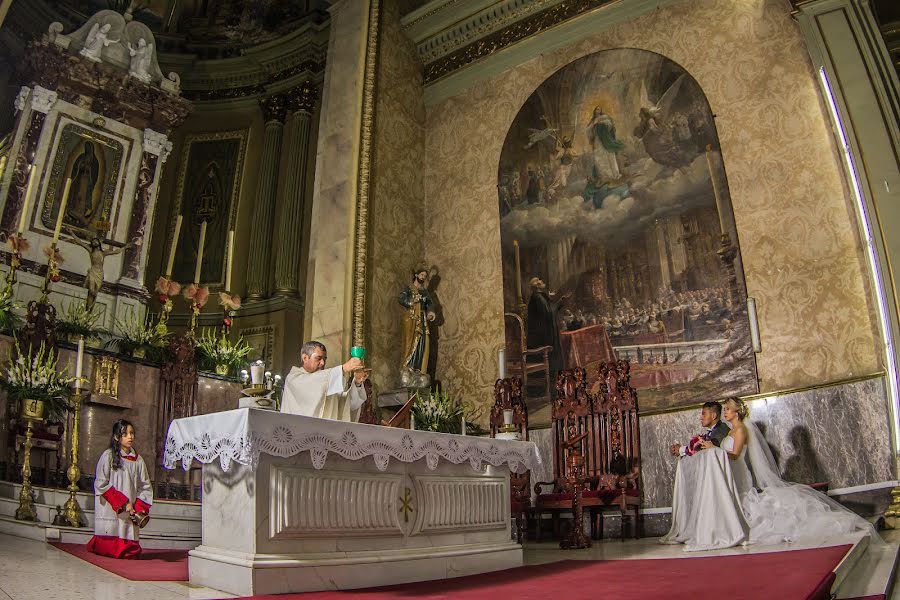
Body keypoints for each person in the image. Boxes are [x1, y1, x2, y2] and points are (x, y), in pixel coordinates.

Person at [663, 398, 879, 551]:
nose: (725, 412)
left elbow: (736, 454)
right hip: (731, 472)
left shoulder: (740, 430)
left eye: (728, 409)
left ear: (736, 412)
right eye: (725, 409)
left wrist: (714, 448)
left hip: (738, 472)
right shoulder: (730, 431)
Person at [87, 419, 152, 559]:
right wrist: (123, 502)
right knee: (110, 542)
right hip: (112, 506)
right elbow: (101, 483)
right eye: (125, 434)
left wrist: (139, 507)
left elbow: (145, 486)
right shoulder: (108, 456)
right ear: (117, 437)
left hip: (131, 508)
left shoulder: (138, 460)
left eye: (132, 433)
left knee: (129, 549)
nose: (130, 437)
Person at [280, 341, 368, 422]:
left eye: (324, 359)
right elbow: (312, 383)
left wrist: (357, 382)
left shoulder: (330, 381)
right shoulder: (293, 379)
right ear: (305, 357)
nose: (322, 363)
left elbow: (347, 405)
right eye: (318, 358)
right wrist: (343, 368)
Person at [398, 266, 436, 379]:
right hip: (411, 320)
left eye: (425, 276)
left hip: (422, 321)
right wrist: (411, 302)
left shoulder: (424, 291)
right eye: (421, 275)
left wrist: (431, 312)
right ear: (416, 275)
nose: (423, 277)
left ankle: (419, 369)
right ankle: (408, 367)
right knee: (410, 342)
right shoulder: (409, 288)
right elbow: (401, 298)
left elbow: (430, 304)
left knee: (422, 343)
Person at [526, 277, 567, 377]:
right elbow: (548, 314)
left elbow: (547, 311)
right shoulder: (538, 298)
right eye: (540, 283)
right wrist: (560, 303)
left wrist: (558, 304)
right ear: (538, 286)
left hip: (542, 335)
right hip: (542, 337)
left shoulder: (539, 297)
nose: (542, 283)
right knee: (549, 359)